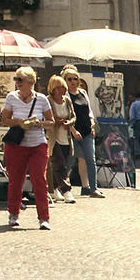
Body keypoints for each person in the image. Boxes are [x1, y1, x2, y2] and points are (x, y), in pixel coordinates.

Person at [2, 65, 52, 229]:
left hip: (37, 143)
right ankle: (13, 213)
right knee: (16, 180)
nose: (17, 83)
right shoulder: (11, 97)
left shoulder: (42, 99)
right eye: (16, 79)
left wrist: (38, 123)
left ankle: (44, 218)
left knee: (39, 179)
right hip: (17, 145)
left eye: (20, 79)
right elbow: (4, 120)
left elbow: (51, 123)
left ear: (30, 82)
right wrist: (20, 122)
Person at [62, 68, 102, 197]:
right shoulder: (65, 95)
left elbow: (89, 110)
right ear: (64, 80)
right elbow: (66, 115)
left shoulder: (83, 92)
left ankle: (92, 188)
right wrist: (73, 130)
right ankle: (60, 187)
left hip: (86, 131)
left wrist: (92, 124)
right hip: (72, 131)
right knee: (70, 161)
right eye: (69, 79)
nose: (73, 82)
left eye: (75, 79)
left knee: (91, 159)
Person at [44, 75, 75, 201]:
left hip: (66, 137)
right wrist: (56, 121)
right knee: (59, 163)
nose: (61, 90)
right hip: (53, 137)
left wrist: (69, 123)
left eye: (63, 87)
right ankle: (67, 190)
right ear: (53, 88)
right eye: (58, 88)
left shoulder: (67, 101)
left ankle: (54, 188)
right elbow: (47, 117)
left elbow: (73, 116)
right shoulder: (48, 100)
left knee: (63, 164)